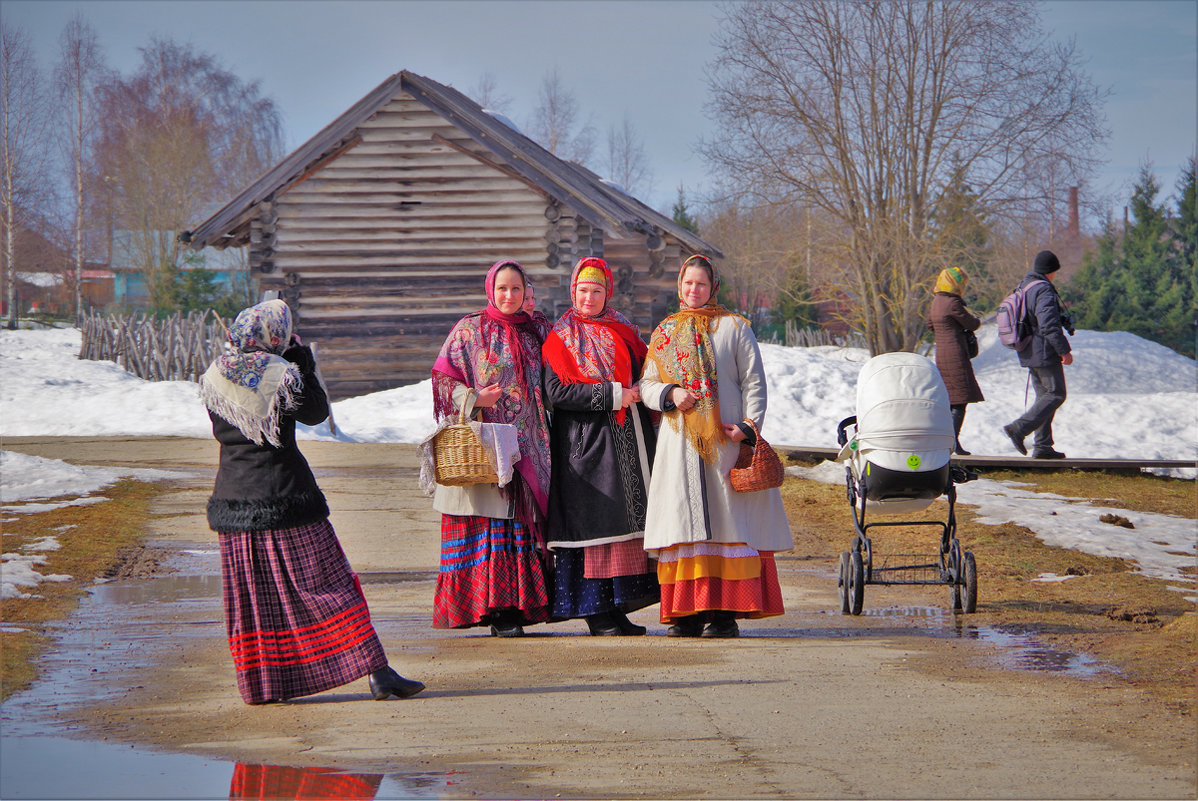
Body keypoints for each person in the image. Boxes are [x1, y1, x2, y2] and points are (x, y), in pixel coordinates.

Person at [199, 299, 423, 704]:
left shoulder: (215, 374)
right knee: (330, 585)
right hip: (286, 498)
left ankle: (264, 685)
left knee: (257, 600)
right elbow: (317, 413)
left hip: (234, 500)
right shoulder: (280, 373)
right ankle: (377, 671)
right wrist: (301, 359)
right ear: (275, 336)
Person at [638, 255, 792, 638]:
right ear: (680, 286)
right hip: (680, 444)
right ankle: (686, 614)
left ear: (713, 287)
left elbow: (754, 381)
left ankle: (725, 613)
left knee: (728, 524)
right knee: (685, 524)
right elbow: (647, 385)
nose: (694, 290)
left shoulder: (734, 327)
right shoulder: (665, 332)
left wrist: (747, 427)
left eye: (701, 284)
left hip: (724, 441)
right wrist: (671, 393)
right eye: (688, 283)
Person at [430, 259, 553, 636]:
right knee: (489, 522)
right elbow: (441, 378)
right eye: (502, 288)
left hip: (528, 443)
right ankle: (492, 608)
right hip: (485, 445)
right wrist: (473, 398)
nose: (509, 295)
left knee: (519, 524)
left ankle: (516, 608)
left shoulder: (538, 331)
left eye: (517, 289)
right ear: (490, 289)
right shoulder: (469, 330)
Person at [541, 257, 660, 635]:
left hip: (627, 441)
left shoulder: (622, 329)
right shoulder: (561, 336)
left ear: (607, 292)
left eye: (596, 291)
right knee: (596, 527)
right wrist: (613, 395)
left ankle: (617, 607)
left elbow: (646, 368)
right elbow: (556, 392)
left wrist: (644, 390)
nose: (588, 298)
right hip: (586, 446)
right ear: (572, 291)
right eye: (582, 290)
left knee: (625, 528)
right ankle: (595, 611)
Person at [1002, 250, 1073, 459]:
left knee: (1044, 396)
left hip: (1027, 349)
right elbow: (1048, 324)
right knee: (1056, 393)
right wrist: (1064, 350)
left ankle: (1042, 446)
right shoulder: (1043, 290)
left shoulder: (1024, 286)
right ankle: (1018, 428)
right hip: (1043, 350)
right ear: (1051, 271)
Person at [927, 266, 984, 455]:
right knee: (959, 402)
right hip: (956, 356)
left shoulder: (936, 301)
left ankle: (947, 442)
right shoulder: (953, 303)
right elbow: (972, 324)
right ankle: (952, 443)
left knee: (950, 401)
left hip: (941, 354)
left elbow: (930, 325)